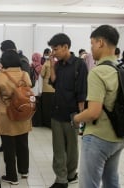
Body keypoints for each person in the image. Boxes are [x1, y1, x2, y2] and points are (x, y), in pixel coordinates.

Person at [71, 24, 124, 188]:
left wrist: (76, 118)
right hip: (119, 136)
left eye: (92, 44)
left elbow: (93, 112)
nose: (91, 48)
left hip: (98, 137)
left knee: (89, 183)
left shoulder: (98, 72)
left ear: (100, 42)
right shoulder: (121, 69)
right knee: (111, 181)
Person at [47, 33, 88, 188]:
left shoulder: (79, 65)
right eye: (52, 49)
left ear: (66, 47)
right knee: (58, 148)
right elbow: (54, 83)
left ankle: (71, 174)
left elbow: (82, 92)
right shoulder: (57, 65)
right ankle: (61, 179)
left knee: (72, 148)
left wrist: (80, 115)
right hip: (57, 111)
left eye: (55, 49)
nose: (53, 52)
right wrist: (51, 65)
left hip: (73, 113)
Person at [0, 50, 32, 185]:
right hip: (23, 113)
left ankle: (12, 176)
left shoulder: (1, 76)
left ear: (4, 62)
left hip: (7, 115)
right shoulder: (25, 74)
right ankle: (24, 171)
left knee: (9, 146)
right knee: (23, 143)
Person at [40, 49, 55, 128]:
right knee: (52, 106)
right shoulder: (55, 64)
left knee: (46, 106)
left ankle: (46, 123)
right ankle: (51, 122)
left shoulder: (45, 64)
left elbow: (42, 74)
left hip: (46, 87)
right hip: (53, 88)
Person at [30, 52, 43, 127]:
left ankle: (32, 121)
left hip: (31, 88)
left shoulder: (30, 66)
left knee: (32, 106)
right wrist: (41, 91)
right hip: (37, 89)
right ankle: (37, 122)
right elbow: (40, 79)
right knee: (37, 106)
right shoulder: (41, 67)